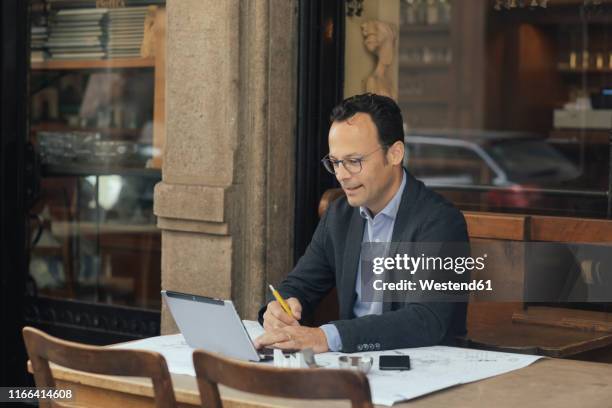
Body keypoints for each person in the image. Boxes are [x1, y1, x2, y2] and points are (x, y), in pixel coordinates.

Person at [254, 93, 468, 353]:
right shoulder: (339, 216)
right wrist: (279, 309)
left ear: (395, 154)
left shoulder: (440, 221)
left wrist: (327, 337)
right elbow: (299, 284)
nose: (342, 176)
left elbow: (426, 320)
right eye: (335, 162)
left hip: (422, 373)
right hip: (352, 368)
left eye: (354, 162)